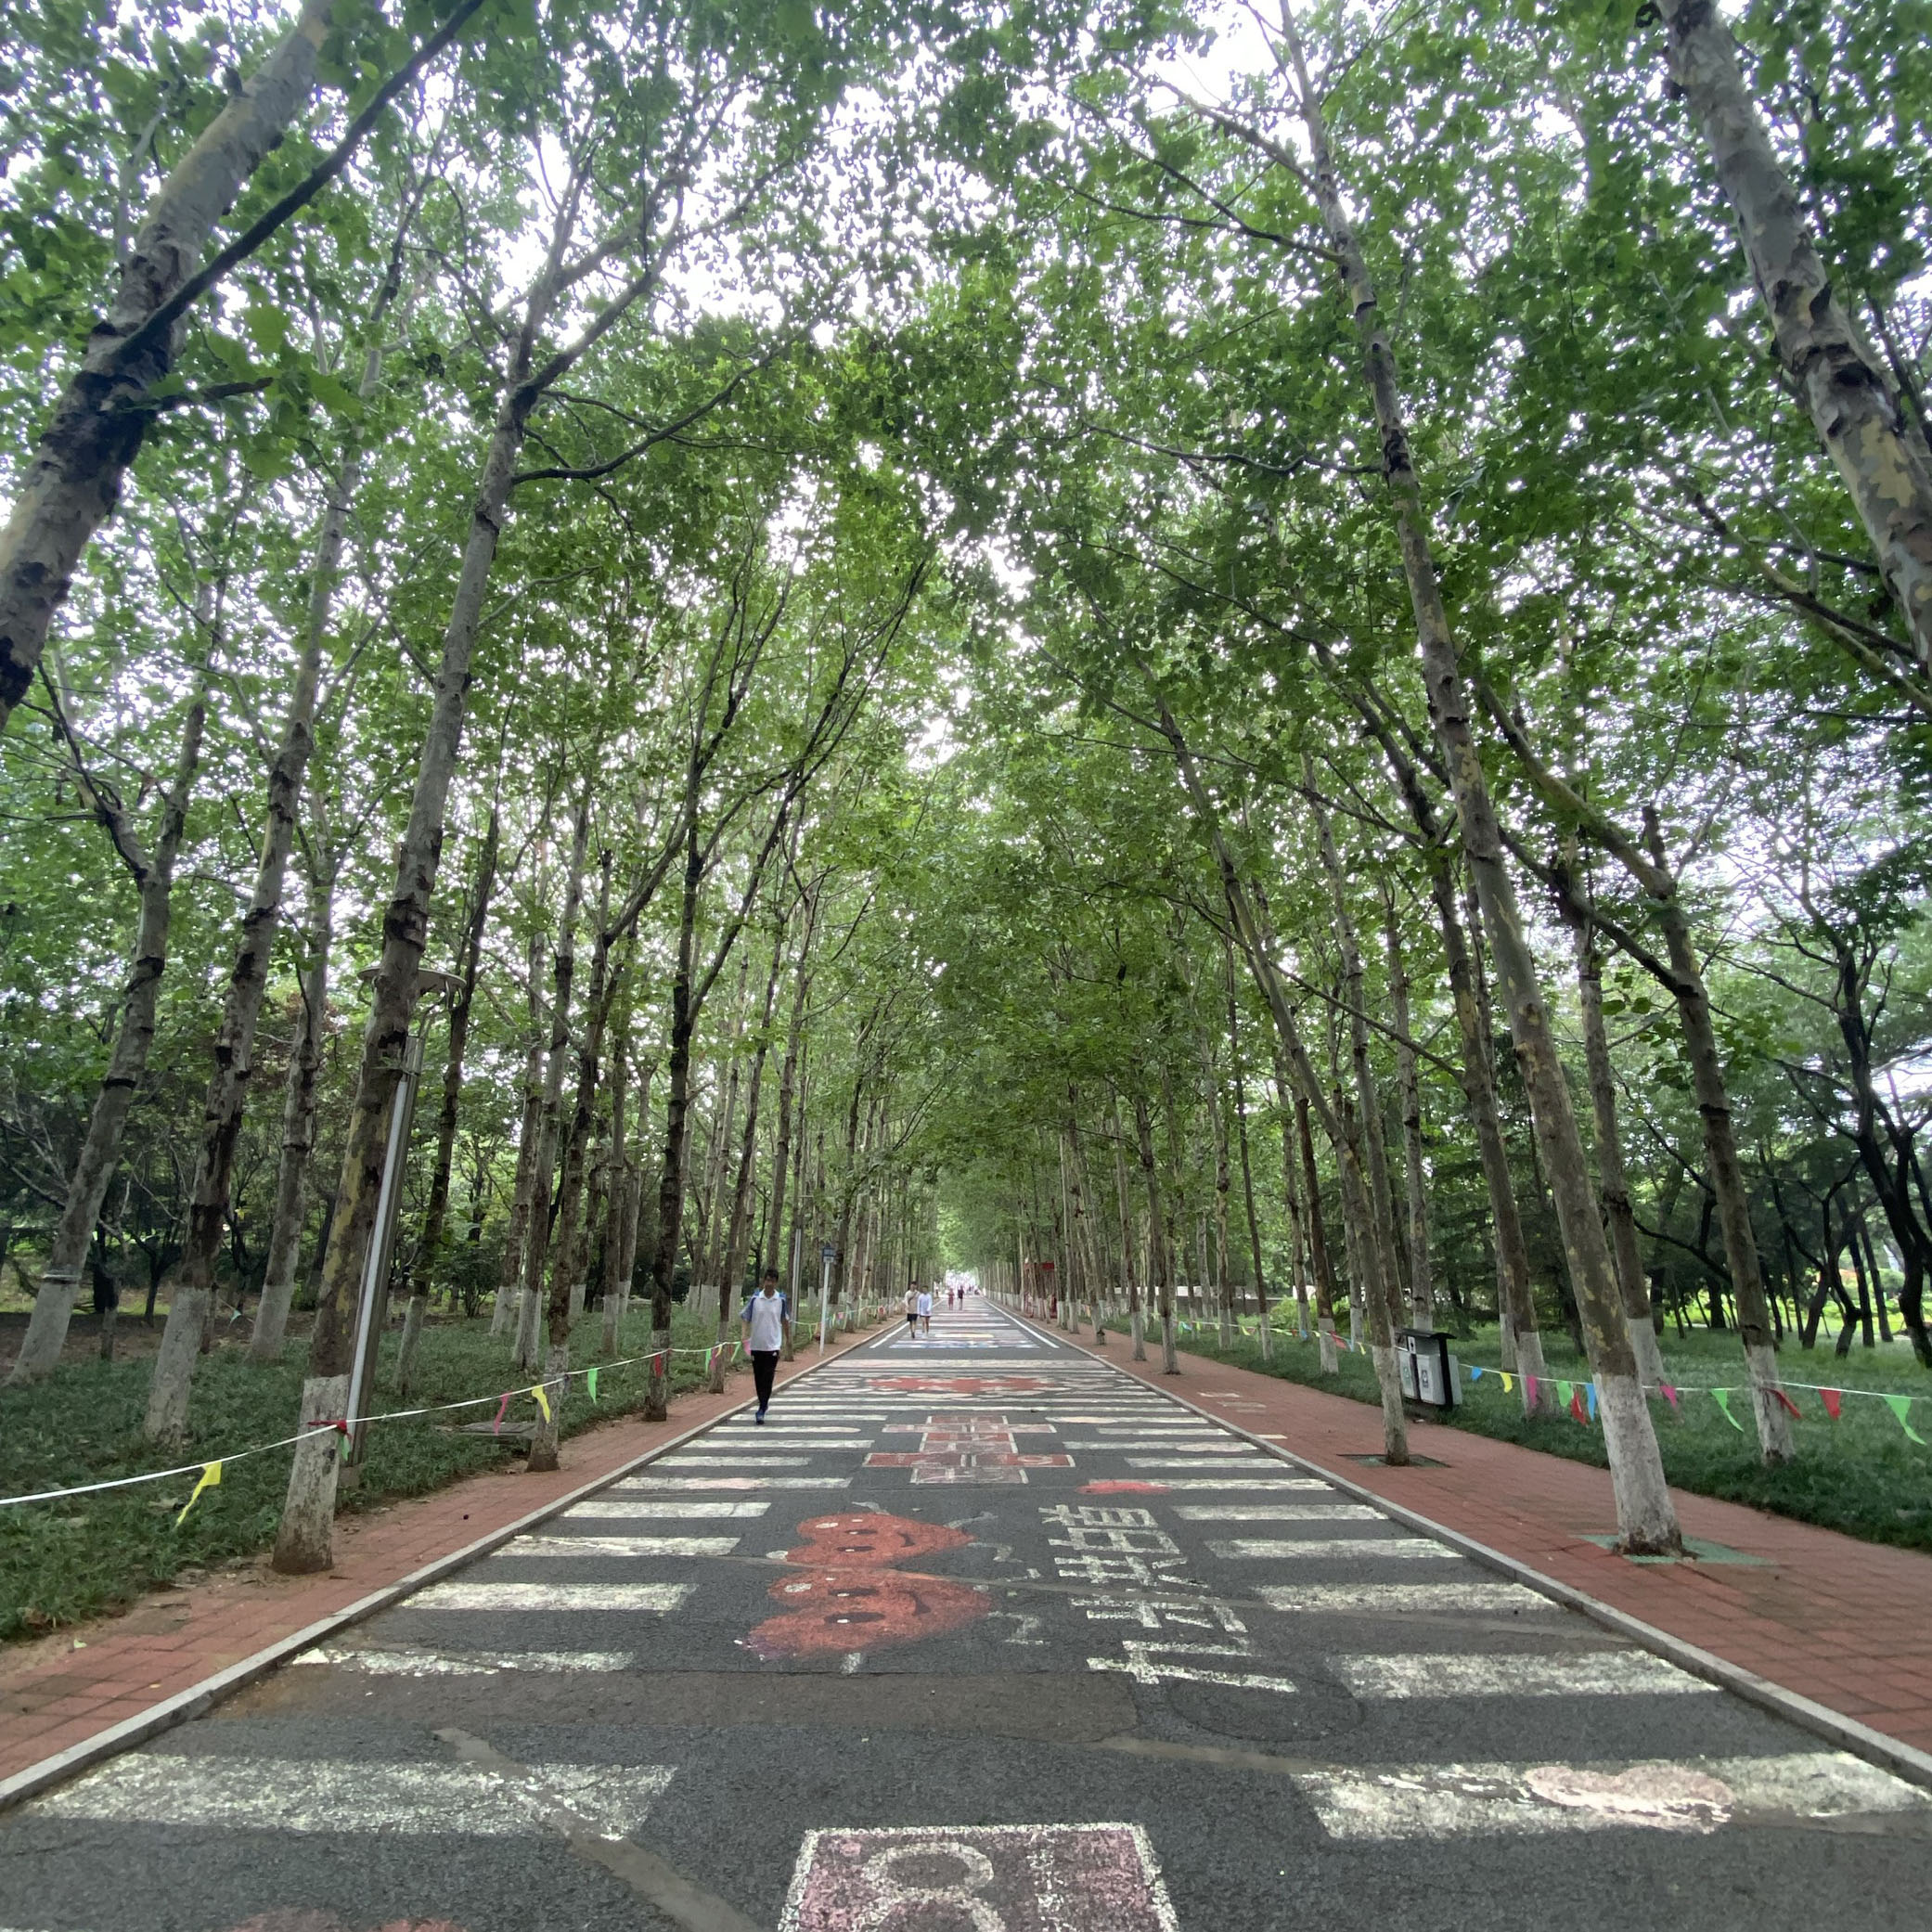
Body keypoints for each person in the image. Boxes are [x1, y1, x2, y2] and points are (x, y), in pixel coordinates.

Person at [741, 1267, 792, 1423]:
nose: (769, 1283)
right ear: (764, 1281)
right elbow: (745, 1317)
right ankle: (762, 1403)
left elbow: (785, 1321)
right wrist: (744, 1335)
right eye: (767, 1280)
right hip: (756, 1345)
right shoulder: (755, 1298)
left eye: (772, 1281)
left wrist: (788, 1340)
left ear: (776, 1283)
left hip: (773, 1346)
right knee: (758, 1377)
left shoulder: (781, 1300)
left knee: (768, 1377)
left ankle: (762, 1407)